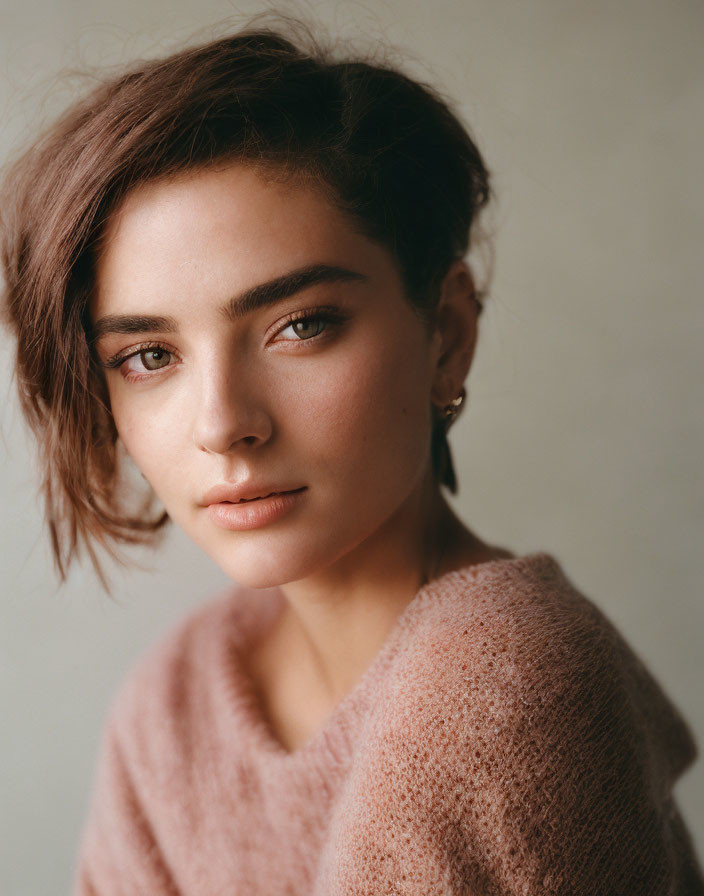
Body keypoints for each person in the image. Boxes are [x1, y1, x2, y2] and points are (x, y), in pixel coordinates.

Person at [1, 16, 702, 896]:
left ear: (444, 334)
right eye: (150, 356)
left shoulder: (500, 682)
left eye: (302, 325)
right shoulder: (176, 701)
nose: (223, 423)